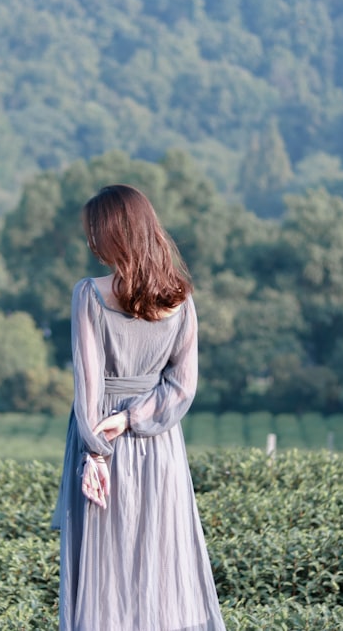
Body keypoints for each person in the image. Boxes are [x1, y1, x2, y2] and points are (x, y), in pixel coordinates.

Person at [51, 184, 225, 630]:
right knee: (161, 563)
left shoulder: (89, 294)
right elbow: (182, 388)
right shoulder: (181, 301)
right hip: (160, 445)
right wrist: (136, 418)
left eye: (95, 231)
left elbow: (88, 384)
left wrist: (96, 450)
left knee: (104, 569)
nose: (91, 242)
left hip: (104, 443)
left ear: (113, 234)